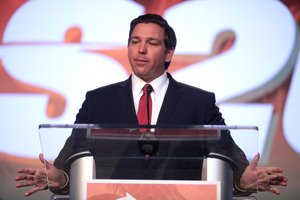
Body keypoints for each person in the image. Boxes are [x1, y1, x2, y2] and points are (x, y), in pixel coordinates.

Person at [15, 13, 287, 197]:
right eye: (135, 42)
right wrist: (58, 180)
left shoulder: (199, 102)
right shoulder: (98, 101)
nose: (140, 49)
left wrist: (244, 181)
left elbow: (235, 164)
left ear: (168, 53)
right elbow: (67, 165)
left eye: (151, 43)